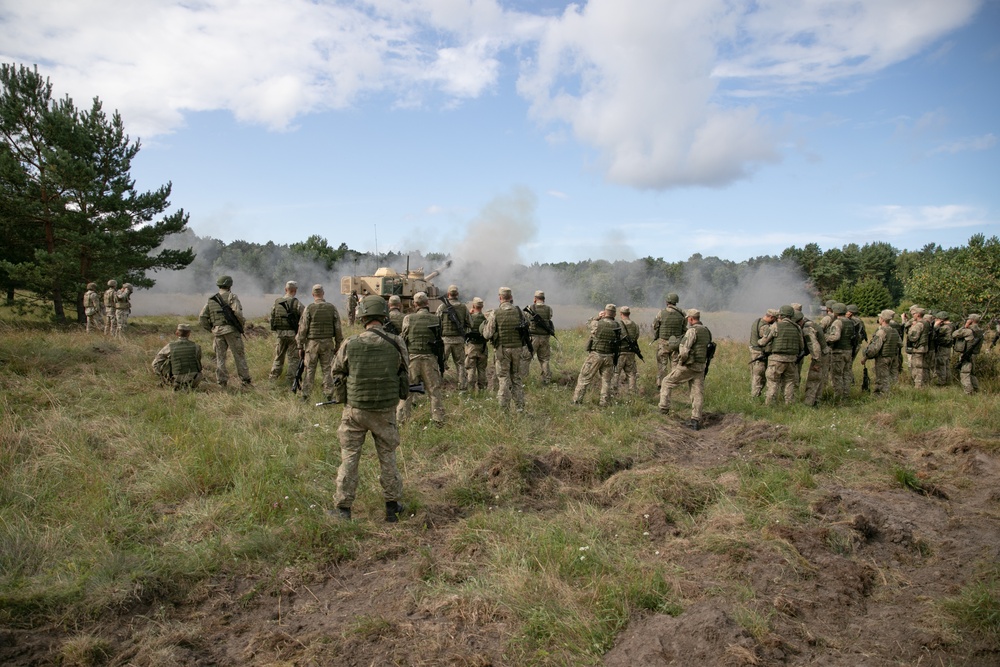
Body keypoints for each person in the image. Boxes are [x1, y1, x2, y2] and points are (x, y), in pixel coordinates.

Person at [330, 295, 409, 523]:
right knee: (387, 457)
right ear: (383, 317)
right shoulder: (396, 342)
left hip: (355, 411)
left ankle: (343, 509)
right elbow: (405, 371)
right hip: (385, 410)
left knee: (350, 458)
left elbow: (337, 373)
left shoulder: (350, 343)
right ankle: (392, 507)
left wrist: (346, 399)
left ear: (362, 316)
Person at [659, 309, 712, 431]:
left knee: (667, 382)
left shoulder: (692, 331)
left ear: (691, 319)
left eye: (688, 318)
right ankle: (696, 420)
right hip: (700, 367)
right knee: (697, 393)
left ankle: (663, 409)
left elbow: (684, 350)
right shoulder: (706, 331)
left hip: (688, 366)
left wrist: (681, 362)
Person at [398, 291, 445, 425]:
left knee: (408, 390)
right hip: (430, 358)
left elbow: (403, 338)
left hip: (412, 358)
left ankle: (401, 420)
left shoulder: (408, 318)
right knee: (434, 390)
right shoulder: (435, 319)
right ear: (427, 303)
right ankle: (438, 419)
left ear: (414, 304)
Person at [199, 275, 252, 388]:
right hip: (231, 330)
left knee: (220, 358)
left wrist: (211, 328)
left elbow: (202, 317)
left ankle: (222, 383)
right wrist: (240, 325)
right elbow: (237, 313)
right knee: (239, 356)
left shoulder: (211, 299)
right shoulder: (232, 297)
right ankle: (245, 381)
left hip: (218, 332)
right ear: (230, 285)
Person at [481, 286, 527, 412]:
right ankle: (520, 407)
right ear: (511, 298)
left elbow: (487, 334)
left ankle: (504, 409)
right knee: (516, 377)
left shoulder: (495, 313)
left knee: (503, 378)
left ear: (500, 298)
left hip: (502, 351)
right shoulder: (519, 312)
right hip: (517, 349)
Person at [295, 284, 343, 400]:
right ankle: (328, 394)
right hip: (327, 343)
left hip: (312, 343)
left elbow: (303, 328)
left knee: (309, 369)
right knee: (327, 369)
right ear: (323, 294)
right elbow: (337, 328)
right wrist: (338, 344)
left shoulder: (309, 308)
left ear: (313, 295)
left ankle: (306, 395)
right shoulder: (331, 308)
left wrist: (300, 345)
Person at [572, 304, 622, 406]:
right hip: (609, 356)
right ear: (615, 314)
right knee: (606, 381)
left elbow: (588, 323)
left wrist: (598, 317)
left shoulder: (598, 323)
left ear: (605, 312)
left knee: (584, 378)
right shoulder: (617, 326)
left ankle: (577, 401)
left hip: (596, 355)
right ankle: (604, 402)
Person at [758, 305, 804, 405]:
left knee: (773, 382)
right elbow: (801, 346)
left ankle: (770, 405)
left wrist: (759, 341)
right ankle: (789, 404)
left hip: (776, 360)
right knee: (789, 383)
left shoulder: (775, 326)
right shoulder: (797, 328)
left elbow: (763, 342)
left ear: (781, 315)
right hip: (791, 360)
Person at [268, 281, 305, 384]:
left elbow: (271, 318)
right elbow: (304, 319)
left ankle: (273, 379)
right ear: (295, 291)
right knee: (293, 359)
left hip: (280, 334)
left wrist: (276, 330)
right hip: (293, 335)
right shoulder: (297, 303)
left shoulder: (277, 302)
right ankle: (290, 381)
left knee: (278, 357)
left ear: (285, 289)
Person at [437, 284, 470, 390]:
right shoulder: (463, 307)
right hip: (459, 339)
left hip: (445, 340)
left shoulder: (442, 307)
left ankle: (438, 385)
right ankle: (462, 386)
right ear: (458, 295)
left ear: (448, 294)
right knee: (460, 364)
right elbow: (471, 323)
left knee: (441, 363)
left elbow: (437, 322)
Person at [152, 323, 203, 391]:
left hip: (176, 380)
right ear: (189, 334)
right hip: (194, 379)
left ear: (177, 333)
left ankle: (175, 385)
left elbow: (155, 363)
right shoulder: (196, 346)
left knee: (166, 362)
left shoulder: (170, 346)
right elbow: (198, 362)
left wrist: (162, 376)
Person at [863, 310, 901, 396]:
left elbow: (874, 348)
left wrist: (866, 357)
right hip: (893, 357)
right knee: (893, 377)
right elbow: (900, 344)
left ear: (882, 319)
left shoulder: (881, 332)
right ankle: (893, 393)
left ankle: (882, 396)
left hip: (883, 358)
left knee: (882, 379)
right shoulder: (894, 331)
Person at [652, 293, 686, 386]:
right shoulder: (682, 314)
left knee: (662, 364)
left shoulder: (661, 313)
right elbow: (684, 328)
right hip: (676, 343)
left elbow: (654, 325)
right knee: (675, 364)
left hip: (663, 343)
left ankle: (660, 383)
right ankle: (674, 383)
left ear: (667, 301)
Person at [521, 290, 555, 385]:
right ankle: (547, 379)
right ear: (544, 299)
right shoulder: (549, 309)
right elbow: (550, 317)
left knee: (526, 358)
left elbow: (525, 318)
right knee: (544, 359)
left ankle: (524, 379)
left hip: (533, 337)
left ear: (535, 299)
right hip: (545, 338)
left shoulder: (530, 308)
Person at [824, 303, 855, 401]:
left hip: (838, 352)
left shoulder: (837, 322)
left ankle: (838, 398)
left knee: (836, 376)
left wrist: (824, 337)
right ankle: (846, 396)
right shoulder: (850, 322)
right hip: (848, 351)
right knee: (846, 375)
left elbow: (835, 337)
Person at [800, 310, 828, 407]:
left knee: (813, 379)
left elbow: (814, 346)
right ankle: (817, 402)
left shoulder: (807, 329)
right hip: (824, 354)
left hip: (819, 356)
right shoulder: (812, 324)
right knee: (818, 379)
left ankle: (809, 403)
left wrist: (816, 361)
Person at [952, 314, 985, 395]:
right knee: (972, 373)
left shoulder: (968, 330)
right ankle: (976, 389)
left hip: (967, 354)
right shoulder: (980, 331)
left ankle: (968, 392)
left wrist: (964, 326)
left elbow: (954, 334)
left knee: (965, 373)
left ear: (971, 321)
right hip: (974, 354)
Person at [749, 309, 778, 398]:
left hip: (754, 351)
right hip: (760, 354)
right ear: (771, 317)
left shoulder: (757, 321)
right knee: (759, 376)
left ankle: (755, 395)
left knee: (756, 375)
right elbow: (764, 341)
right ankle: (755, 396)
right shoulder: (765, 327)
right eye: (774, 319)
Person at [465, 297, 489, 392]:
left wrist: (470, 314)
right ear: (482, 306)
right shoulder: (485, 318)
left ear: (473, 306)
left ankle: (471, 389)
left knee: (471, 368)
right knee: (482, 369)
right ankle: (482, 389)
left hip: (471, 347)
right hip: (483, 347)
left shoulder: (470, 318)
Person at [615, 305, 640, 395]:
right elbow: (636, 337)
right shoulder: (635, 325)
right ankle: (632, 393)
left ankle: (614, 392)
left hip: (620, 352)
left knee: (616, 373)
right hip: (631, 352)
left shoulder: (618, 325)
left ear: (621, 314)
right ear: (629, 313)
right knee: (631, 374)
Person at [904, 307, 930, 388]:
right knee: (924, 366)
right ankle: (925, 382)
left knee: (917, 367)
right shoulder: (926, 323)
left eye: (914, 314)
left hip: (918, 348)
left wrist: (911, 328)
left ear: (918, 314)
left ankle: (918, 385)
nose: (913, 315)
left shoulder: (919, 324)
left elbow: (913, 337)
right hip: (924, 347)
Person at [932, 311, 954, 386]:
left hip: (942, 348)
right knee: (946, 365)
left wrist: (935, 326)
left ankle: (941, 382)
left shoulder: (945, 327)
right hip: (947, 348)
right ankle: (947, 380)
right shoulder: (952, 325)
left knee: (941, 364)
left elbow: (934, 333)